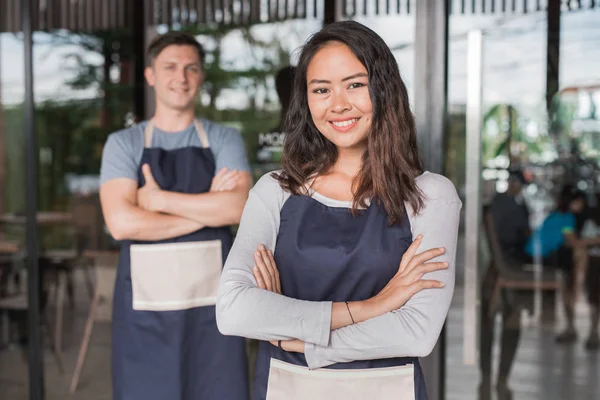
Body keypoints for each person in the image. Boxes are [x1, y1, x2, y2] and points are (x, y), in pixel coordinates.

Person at [216, 21, 461, 400]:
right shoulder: (276, 191)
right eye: (322, 90)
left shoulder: (430, 195)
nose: (338, 104)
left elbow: (416, 331)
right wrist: (374, 306)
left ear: (383, 89)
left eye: (355, 84)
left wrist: (297, 334)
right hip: (287, 388)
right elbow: (233, 310)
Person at [99, 32, 251, 400]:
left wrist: (158, 199)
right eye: (170, 67)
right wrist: (207, 210)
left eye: (191, 68)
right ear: (150, 75)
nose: (180, 77)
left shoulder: (224, 139)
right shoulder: (124, 144)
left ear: (200, 77)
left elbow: (239, 208)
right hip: (146, 314)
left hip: (214, 311)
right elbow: (121, 223)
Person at [524, 186, 600, 347]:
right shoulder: (567, 218)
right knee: (579, 260)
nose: (582, 205)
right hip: (544, 258)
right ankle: (577, 292)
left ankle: (572, 321)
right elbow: (572, 242)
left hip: (540, 256)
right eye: (580, 202)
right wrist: (595, 240)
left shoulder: (556, 215)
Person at [489, 170, 531, 263]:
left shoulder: (511, 199)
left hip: (514, 244)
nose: (521, 188)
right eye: (520, 185)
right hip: (511, 247)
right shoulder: (503, 201)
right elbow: (523, 224)